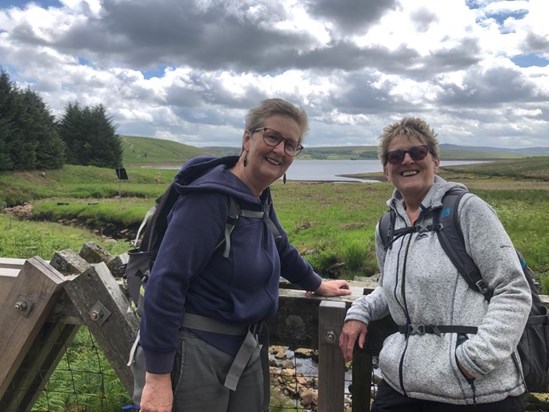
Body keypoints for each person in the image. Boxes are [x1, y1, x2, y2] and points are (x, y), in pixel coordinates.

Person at [138, 98, 351, 412]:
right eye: (272, 137)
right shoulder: (208, 200)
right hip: (197, 353)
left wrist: (317, 283)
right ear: (247, 139)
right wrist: (157, 377)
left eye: (291, 144)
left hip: (246, 347)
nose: (280, 150)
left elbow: (281, 247)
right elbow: (166, 281)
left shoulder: (258, 196)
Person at [339, 117, 532, 411]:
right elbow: (389, 288)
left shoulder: (467, 210)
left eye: (417, 152)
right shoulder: (388, 225)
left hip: (473, 393)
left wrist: (474, 360)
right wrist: (360, 311)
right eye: (395, 156)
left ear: (435, 161)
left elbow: (513, 289)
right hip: (401, 388)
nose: (407, 160)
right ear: (386, 169)